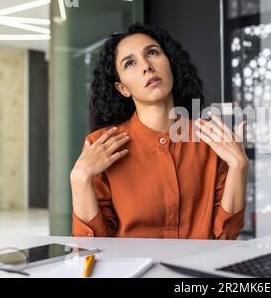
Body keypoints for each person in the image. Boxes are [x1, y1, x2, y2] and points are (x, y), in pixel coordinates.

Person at [70, 23, 248, 239]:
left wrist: (239, 166)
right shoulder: (101, 145)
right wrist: (80, 179)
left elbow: (224, 237)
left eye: (152, 53)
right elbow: (93, 249)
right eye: (130, 63)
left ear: (170, 64)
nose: (146, 66)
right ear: (122, 88)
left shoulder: (210, 139)